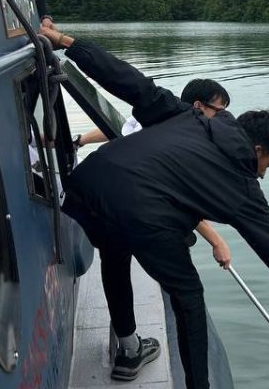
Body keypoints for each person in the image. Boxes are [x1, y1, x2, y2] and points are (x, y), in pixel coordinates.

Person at [38, 20, 269, 389]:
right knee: (188, 294)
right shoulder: (243, 189)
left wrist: (67, 43)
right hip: (142, 213)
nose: (264, 175)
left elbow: (129, 81)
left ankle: (129, 350)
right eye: (268, 164)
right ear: (257, 150)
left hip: (89, 187)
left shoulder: (187, 115)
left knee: (114, 251)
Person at [75, 78, 236, 269]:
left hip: (107, 192)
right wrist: (217, 241)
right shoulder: (178, 142)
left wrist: (80, 140)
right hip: (121, 201)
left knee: (115, 262)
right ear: (198, 106)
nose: (222, 119)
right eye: (219, 112)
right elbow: (179, 197)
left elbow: (121, 128)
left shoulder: (161, 111)